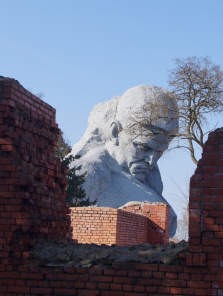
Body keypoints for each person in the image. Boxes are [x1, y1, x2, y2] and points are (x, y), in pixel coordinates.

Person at [70, 85, 179, 235]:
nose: (151, 161)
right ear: (115, 132)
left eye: (160, 151)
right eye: (143, 147)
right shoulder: (91, 173)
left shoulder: (151, 180)